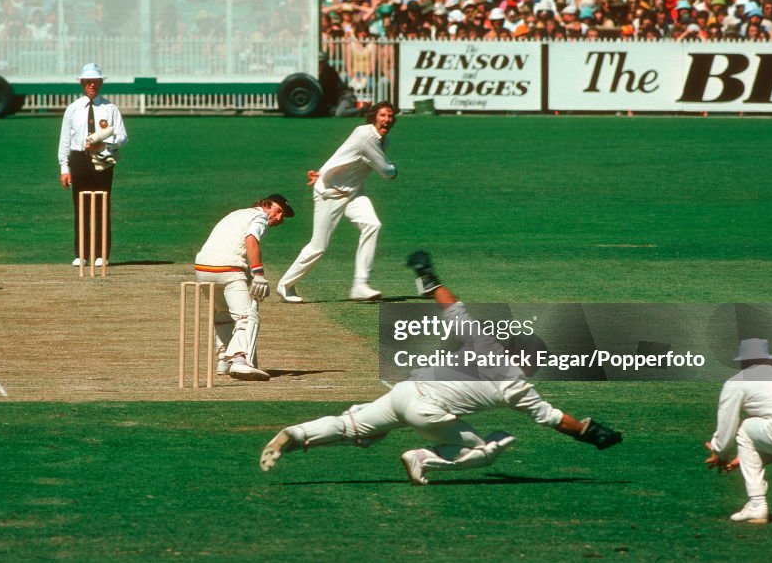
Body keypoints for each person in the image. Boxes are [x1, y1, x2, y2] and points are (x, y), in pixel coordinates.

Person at [260, 251, 622, 484]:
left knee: (350, 425)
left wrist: (427, 274)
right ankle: (422, 458)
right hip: (427, 411)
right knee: (483, 451)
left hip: (403, 392)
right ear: (529, 361)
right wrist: (591, 433)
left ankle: (295, 434)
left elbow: (452, 307)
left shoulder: (484, 342)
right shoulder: (517, 386)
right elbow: (553, 418)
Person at [276, 101, 398, 303]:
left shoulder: (383, 140)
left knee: (372, 225)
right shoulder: (365, 134)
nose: (387, 120)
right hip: (330, 194)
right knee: (318, 247)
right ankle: (285, 284)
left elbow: (343, 154)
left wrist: (322, 171)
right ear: (373, 116)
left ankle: (360, 285)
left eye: (390, 116)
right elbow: (387, 171)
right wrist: (324, 177)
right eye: (383, 115)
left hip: (353, 193)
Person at [194, 194, 295, 382]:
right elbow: (250, 240)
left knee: (222, 314)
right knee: (247, 317)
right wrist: (258, 275)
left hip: (202, 268)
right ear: (265, 204)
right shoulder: (260, 217)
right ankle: (240, 360)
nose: (280, 218)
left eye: (283, 215)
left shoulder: (236, 214)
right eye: (278, 210)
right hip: (228, 269)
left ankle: (224, 361)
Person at [704, 338, 772, 524]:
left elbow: (727, 425)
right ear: (770, 360)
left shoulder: (736, 382)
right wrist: (746, 457)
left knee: (745, 429)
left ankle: (757, 504)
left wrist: (719, 451)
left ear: (743, 362)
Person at [57, 63, 128, 267]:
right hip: (79, 159)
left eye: (95, 82)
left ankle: (101, 254)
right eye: (88, 82)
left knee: (102, 205)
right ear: (82, 83)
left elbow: (122, 136)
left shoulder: (110, 108)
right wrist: (64, 168)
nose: (92, 85)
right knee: (81, 206)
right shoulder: (73, 109)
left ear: (100, 83)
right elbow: (64, 141)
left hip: (103, 159)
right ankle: (81, 254)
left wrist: (104, 144)